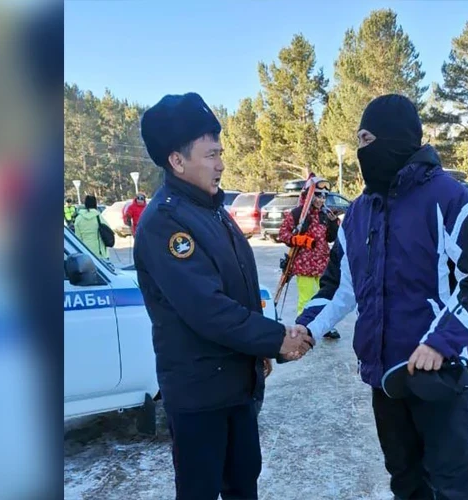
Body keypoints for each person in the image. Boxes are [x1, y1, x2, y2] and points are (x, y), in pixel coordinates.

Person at [294, 94, 468, 499]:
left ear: (395, 139)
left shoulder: (447, 197)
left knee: (451, 479)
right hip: (384, 376)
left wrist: (441, 342)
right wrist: (307, 329)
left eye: (368, 140)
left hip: (438, 372)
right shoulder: (357, 213)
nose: (362, 151)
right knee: (405, 478)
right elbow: (339, 287)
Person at [134, 92, 313, 500]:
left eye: (221, 153)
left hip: (235, 387)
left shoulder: (212, 210)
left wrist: (258, 352)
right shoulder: (166, 222)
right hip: (200, 397)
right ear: (177, 161)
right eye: (211, 155)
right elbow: (208, 309)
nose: (221, 164)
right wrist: (275, 338)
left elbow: (238, 291)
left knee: (243, 485)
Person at [278, 178, 341, 339]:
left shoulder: (325, 214)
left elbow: (331, 238)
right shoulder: (298, 213)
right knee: (306, 298)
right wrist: (299, 239)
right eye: (318, 195)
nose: (321, 200)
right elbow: (283, 234)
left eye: (324, 196)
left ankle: (324, 325)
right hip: (304, 264)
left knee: (324, 296)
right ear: (309, 196)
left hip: (323, 263)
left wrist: (334, 223)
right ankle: (303, 326)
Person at [74, 195, 110, 260]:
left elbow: (78, 237)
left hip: (86, 252)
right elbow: (108, 229)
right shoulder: (98, 217)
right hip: (100, 252)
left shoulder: (78, 219)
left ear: (85, 204)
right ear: (95, 204)